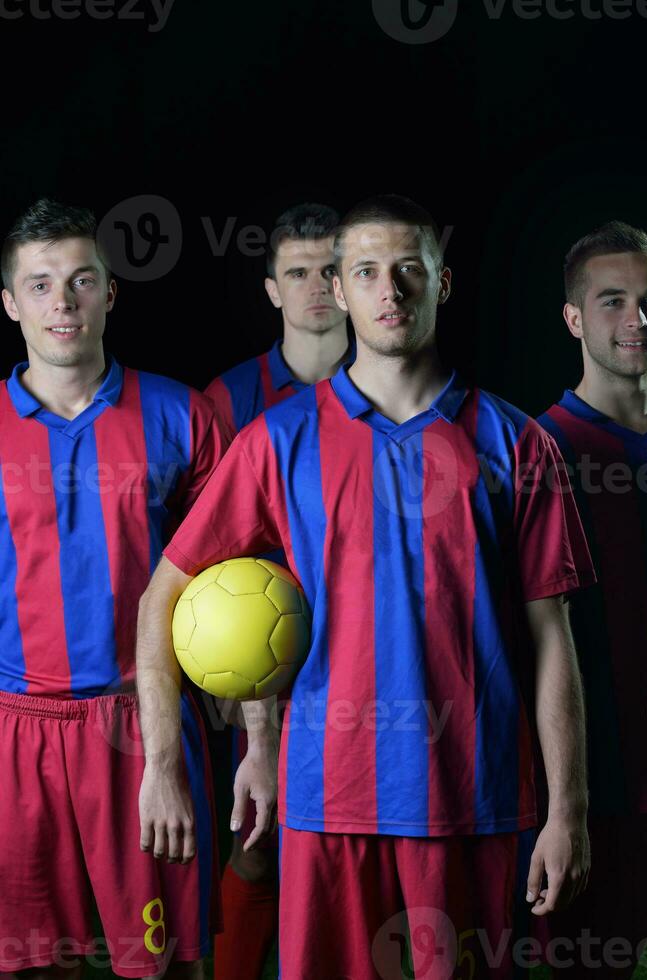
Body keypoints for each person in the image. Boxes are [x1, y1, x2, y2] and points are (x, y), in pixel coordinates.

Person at [137, 194, 596, 980]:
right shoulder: (276, 442)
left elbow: (554, 639)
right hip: (325, 802)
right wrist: (166, 763)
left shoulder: (514, 441)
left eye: (409, 270)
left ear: (443, 283)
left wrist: (569, 812)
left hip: (471, 803)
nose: (391, 291)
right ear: (339, 291)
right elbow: (161, 599)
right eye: (366, 272)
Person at [0, 198, 229, 980]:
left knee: (166, 964)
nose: (62, 302)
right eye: (39, 285)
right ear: (10, 303)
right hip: (14, 728)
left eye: (81, 281)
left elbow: (239, 586)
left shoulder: (181, 415)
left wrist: (253, 741)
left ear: (111, 292)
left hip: (142, 726)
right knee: (31, 964)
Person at [204, 202, 351, 980]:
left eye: (333, 269)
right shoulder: (228, 401)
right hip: (262, 668)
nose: (318, 287)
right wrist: (217, 677)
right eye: (299, 273)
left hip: (364, 663)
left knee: (353, 852)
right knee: (257, 846)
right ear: (272, 290)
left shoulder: (397, 385)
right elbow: (194, 555)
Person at [537, 221, 647, 977]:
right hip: (602, 798)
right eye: (614, 301)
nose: (638, 320)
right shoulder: (537, 449)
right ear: (575, 319)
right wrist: (562, 808)